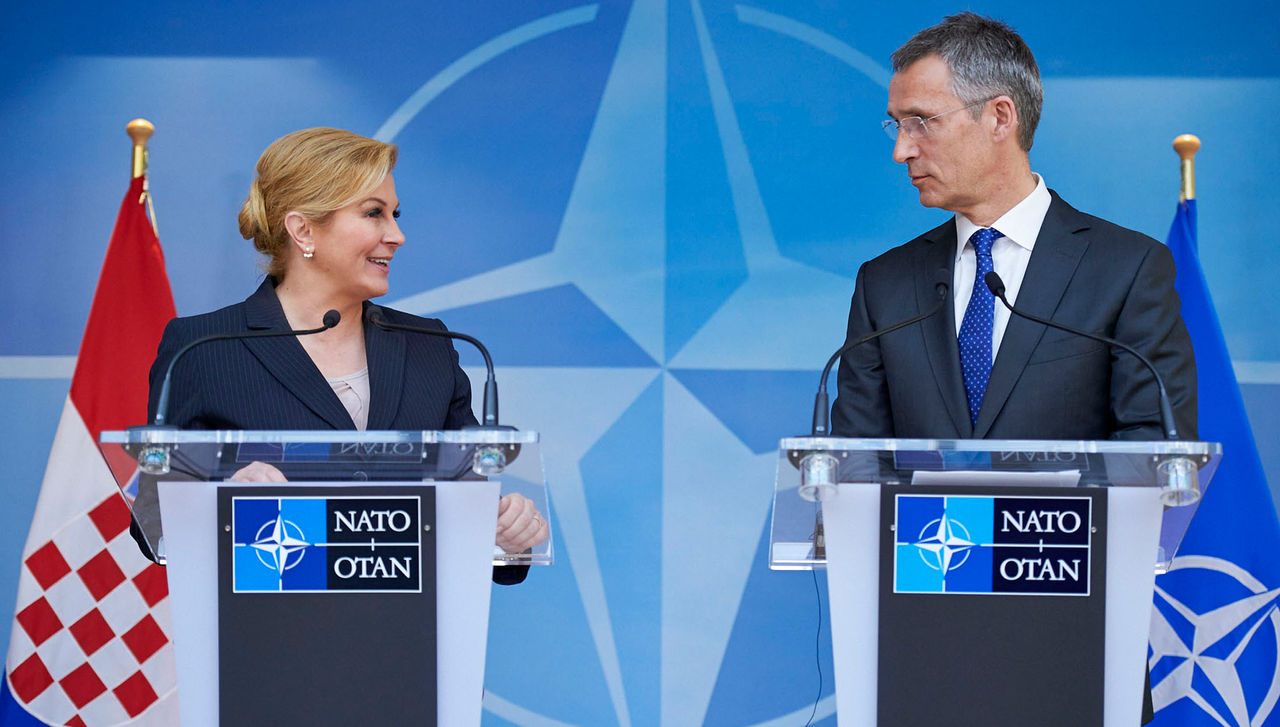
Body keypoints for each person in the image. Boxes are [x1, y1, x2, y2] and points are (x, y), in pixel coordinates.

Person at [144, 127, 547, 581]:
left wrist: (509, 534)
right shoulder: (203, 348)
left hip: (412, 638)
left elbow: (472, 506)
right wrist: (222, 498)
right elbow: (154, 522)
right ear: (303, 229)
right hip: (262, 635)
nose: (397, 235)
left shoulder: (429, 346)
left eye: (395, 214)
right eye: (374, 213)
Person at [830, 12, 1196, 443]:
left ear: (1000, 117)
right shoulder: (884, 284)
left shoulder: (1126, 270)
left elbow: (1152, 449)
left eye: (922, 122)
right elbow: (856, 461)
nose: (901, 150)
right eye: (897, 125)